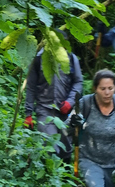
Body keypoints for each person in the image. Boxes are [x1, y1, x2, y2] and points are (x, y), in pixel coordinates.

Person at [24, 29, 83, 163]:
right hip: (44, 109)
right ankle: (49, 179)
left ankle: (64, 181)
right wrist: (28, 114)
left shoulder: (71, 58)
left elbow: (78, 82)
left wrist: (69, 102)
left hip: (65, 111)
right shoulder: (38, 58)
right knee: (50, 146)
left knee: (66, 148)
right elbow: (31, 87)